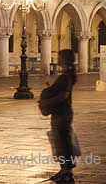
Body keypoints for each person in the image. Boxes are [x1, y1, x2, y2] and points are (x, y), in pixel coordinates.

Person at [40, 48, 79, 183]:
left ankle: (67, 171)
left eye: (60, 57)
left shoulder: (65, 77)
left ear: (65, 59)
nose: (58, 59)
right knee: (61, 142)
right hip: (62, 113)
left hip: (62, 114)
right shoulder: (66, 76)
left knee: (63, 143)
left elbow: (63, 95)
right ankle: (64, 170)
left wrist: (46, 101)